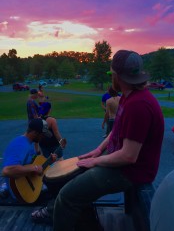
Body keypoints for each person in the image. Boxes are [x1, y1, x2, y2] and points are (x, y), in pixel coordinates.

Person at [53, 49, 164, 231]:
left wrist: (96, 161)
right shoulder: (129, 97)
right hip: (120, 160)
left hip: (131, 172)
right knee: (77, 173)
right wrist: (98, 150)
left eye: (112, 73)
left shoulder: (139, 105)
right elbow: (116, 130)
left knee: (66, 196)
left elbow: (128, 156)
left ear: (118, 77)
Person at [1, 118, 53, 200]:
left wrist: (49, 160)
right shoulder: (20, 145)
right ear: (35, 133)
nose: (43, 137)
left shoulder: (28, 142)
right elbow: (6, 171)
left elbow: (32, 162)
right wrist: (34, 168)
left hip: (29, 182)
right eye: (42, 134)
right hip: (21, 192)